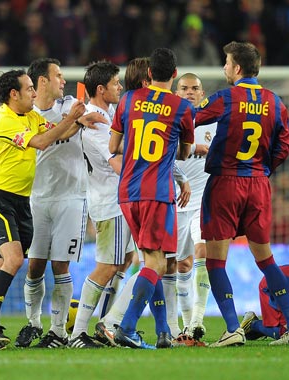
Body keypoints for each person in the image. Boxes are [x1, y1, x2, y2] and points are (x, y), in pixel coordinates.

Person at [0, 69, 104, 349]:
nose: (33, 93)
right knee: (16, 260)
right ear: (13, 94)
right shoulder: (4, 120)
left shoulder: (30, 116)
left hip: (20, 202)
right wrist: (71, 117)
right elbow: (41, 143)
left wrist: (78, 121)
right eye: (28, 88)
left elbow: (54, 134)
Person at [194, 41, 289, 347]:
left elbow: (190, 119)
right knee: (265, 258)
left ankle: (233, 328)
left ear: (237, 68)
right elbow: (285, 143)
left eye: (227, 63)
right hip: (258, 185)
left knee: (215, 261)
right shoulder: (274, 102)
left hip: (226, 183)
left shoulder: (227, 97)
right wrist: (264, 168)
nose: (224, 68)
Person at [11, 57, 104, 349]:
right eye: (58, 75)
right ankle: (33, 324)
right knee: (35, 265)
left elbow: (83, 124)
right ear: (42, 81)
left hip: (71, 198)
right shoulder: (26, 114)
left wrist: (82, 120)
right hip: (36, 198)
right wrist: (74, 122)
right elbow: (50, 137)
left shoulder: (69, 105)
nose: (63, 80)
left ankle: (59, 331)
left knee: (60, 266)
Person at [108, 48, 195, 349]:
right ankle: (127, 326)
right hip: (156, 192)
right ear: (174, 74)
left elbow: (113, 144)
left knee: (151, 261)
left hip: (127, 192)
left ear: (148, 74)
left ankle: (162, 333)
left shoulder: (128, 100)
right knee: (157, 264)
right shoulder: (182, 108)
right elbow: (184, 153)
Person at [69, 60, 129, 349]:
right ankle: (78, 333)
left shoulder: (105, 112)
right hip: (109, 202)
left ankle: (102, 324)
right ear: (101, 89)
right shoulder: (96, 122)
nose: (120, 87)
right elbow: (117, 164)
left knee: (125, 261)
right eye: (115, 83)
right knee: (108, 266)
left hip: (118, 200)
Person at [172, 72, 215, 346]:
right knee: (181, 264)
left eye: (195, 88)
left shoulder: (215, 122)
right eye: (184, 88)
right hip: (174, 201)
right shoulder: (170, 120)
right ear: (177, 93)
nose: (189, 92)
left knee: (203, 252)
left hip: (203, 199)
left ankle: (198, 320)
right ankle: (186, 326)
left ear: (202, 93)